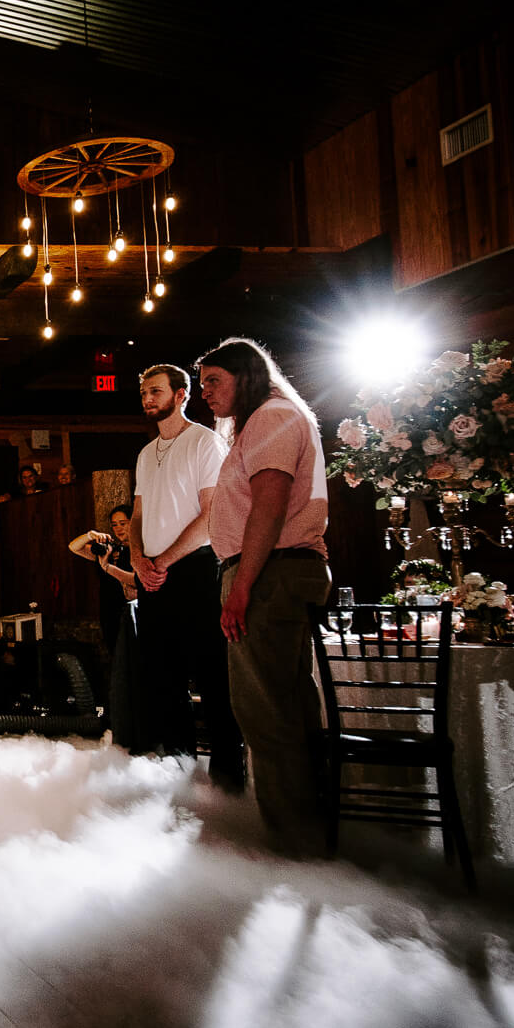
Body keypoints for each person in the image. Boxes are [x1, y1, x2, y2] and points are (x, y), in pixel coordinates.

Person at [197, 338, 331, 856]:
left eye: (214, 381)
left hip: (269, 574)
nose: (205, 393)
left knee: (266, 712)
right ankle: (302, 832)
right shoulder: (268, 420)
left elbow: (270, 507)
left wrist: (243, 587)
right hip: (272, 572)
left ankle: (290, 842)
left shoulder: (273, 418)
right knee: (285, 706)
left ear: (246, 376)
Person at [130, 362, 245, 791]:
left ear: (182, 394)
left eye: (155, 391)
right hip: (153, 574)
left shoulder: (204, 443)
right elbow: (138, 514)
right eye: (144, 392)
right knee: (163, 677)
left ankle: (228, 778)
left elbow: (211, 514)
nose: (147, 399)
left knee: (212, 674)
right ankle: (178, 772)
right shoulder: (144, 454)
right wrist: (139, 557)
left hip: (195, 570)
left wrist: (165, 560)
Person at [68, 506, 144, 749]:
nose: (119, 528)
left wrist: (109, 568)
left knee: (137, 665)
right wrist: (91, 535)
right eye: (114, 524)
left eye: (123, 522)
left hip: (134, 614)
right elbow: (73, 547)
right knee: (117, 663)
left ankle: (140, 724)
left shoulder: (141, 549)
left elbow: (137, 582)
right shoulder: (109, 550)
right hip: (110, 614)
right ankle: (122, 724)